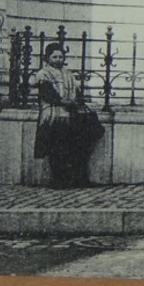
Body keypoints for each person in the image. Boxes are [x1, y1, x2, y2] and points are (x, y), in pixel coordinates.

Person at [33, 41, 104, 187]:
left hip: (71, 115)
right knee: (58, 150)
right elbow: (48, 95)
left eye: (60, 57)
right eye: (55, 57)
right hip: (54, 115)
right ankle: (59, 180)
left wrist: (76, 101)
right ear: (47, 58)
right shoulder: (43, 74)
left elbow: (77, 94)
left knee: (76, 148)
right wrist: (66, 102)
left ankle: (79, 179)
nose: (58, 60)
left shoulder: (69, 75)